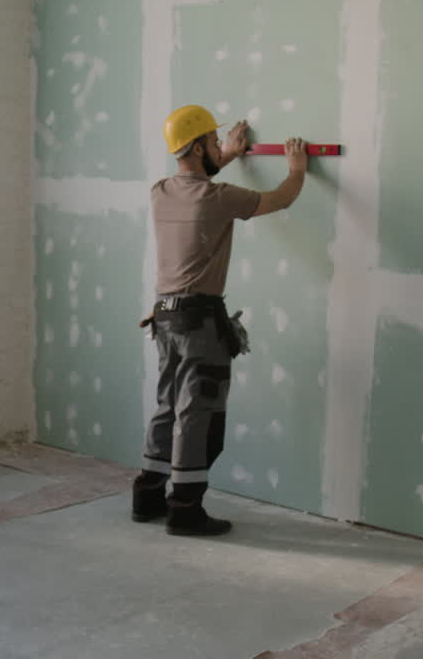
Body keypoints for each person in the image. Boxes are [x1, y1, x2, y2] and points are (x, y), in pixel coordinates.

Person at [131, 104, 308, 536]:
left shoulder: (160, 191)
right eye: (212, 142)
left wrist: (226, 152)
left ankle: (148, 495)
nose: (219, 147)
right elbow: (280, 199)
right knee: (198, 413)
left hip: (165, 318)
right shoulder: (218, 197)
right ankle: (186, 509)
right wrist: (297, 169)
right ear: (195, 146)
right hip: (200, 323)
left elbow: (197, 175)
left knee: (168, 406)